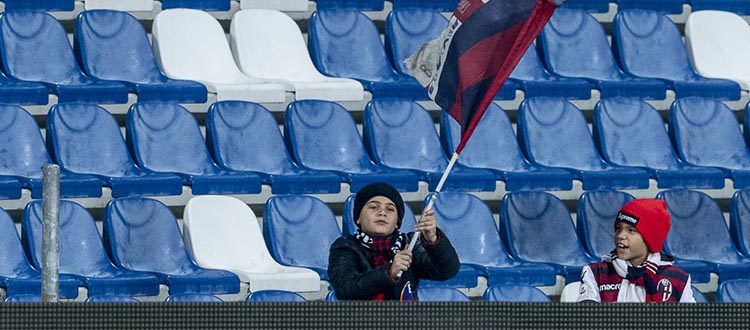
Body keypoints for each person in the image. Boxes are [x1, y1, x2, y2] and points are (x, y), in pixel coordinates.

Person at [328, 182, 460, 300]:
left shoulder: (409, 244)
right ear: (358, 219)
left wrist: (433, 240)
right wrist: (389, 272)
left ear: (397, 223)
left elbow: (448, 270)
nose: (382, 213)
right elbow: (346, 288)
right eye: (373, 207)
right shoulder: (345, 246)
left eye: (390, 209)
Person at [577, 199, 695, 303]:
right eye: (618, 228)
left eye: (631, 230)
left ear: (650, 239)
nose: (621, 236)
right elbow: (586, 319)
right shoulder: (596, 272)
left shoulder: (678, 279)